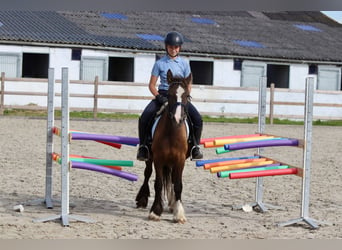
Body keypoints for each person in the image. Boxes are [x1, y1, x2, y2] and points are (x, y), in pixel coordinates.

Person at [136, 31, 203, 161]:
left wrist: (186, 95)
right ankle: (143, 147)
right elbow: (151, 85)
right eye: (171, 47)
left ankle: (195, 146)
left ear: (180, 48)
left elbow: (188, 83)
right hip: (163, 95)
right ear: (166, 47)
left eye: (176, 47)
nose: (173, 49)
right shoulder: (159, 63)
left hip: (180, 96)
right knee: (144, 117)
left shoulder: (184, 64)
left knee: (197, 119)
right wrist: (158, 97)